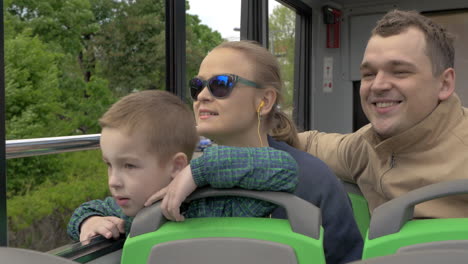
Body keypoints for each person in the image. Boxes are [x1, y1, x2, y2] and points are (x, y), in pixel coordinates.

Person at [155, 40, 363, 264]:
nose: (202, 96)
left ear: (264, 101)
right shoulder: (180, 175)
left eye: (221, 84)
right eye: (197, 86)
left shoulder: (313, 180)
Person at [298, 9, 468, 218]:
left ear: (444, 84)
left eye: (400, 71)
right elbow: (310, 144)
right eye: (369, 74)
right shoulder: (363, 147)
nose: (377, 85)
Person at [67, 90, 300, 242]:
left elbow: (285, 170)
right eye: (109, 165)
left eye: (129, 166)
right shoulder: (124, 211)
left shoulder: (216, 207)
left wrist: (197, 172)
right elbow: (85, 211)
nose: (113, 181)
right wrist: (91, 222)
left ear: (177, 166)